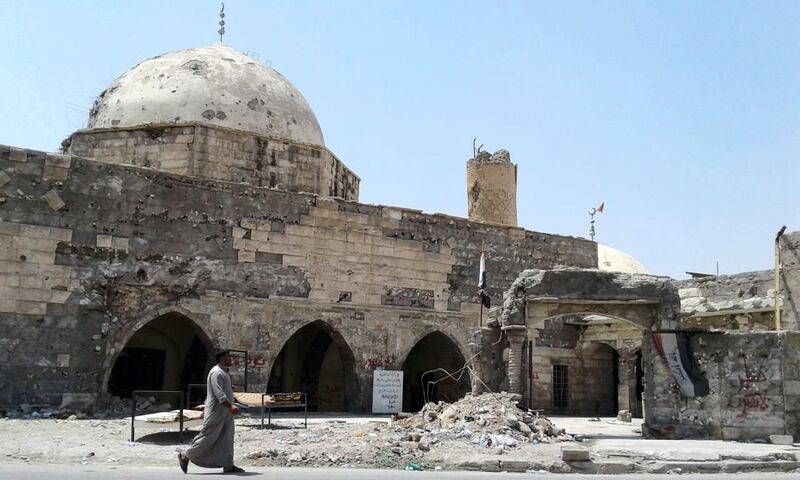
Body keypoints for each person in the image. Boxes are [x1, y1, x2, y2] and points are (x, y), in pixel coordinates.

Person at [178, 349, 244, 474]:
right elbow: (219, 393)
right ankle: (185, 455)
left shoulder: (224, 373)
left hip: (225, 412)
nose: (230, 359)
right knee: (208, 436)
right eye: (228, 357)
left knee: (227, 437)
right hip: (216, 412)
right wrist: (230, 406)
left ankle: (228, 465)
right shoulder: (216, 372)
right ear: (222, 358)